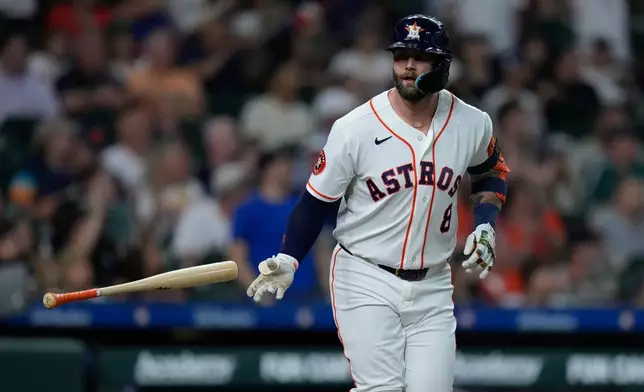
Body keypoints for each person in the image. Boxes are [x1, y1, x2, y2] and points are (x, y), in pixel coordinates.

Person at [246, 14, 510, 392]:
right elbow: (316, 200)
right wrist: (289, 257)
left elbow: (492, 171)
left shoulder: (471, 122)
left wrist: (485, 223)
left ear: (442, 65)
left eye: (419, 57)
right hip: (365, 274)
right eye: (401, 55)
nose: (408, 66)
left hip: (433, 283)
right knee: (381, 388)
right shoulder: (355, 128)